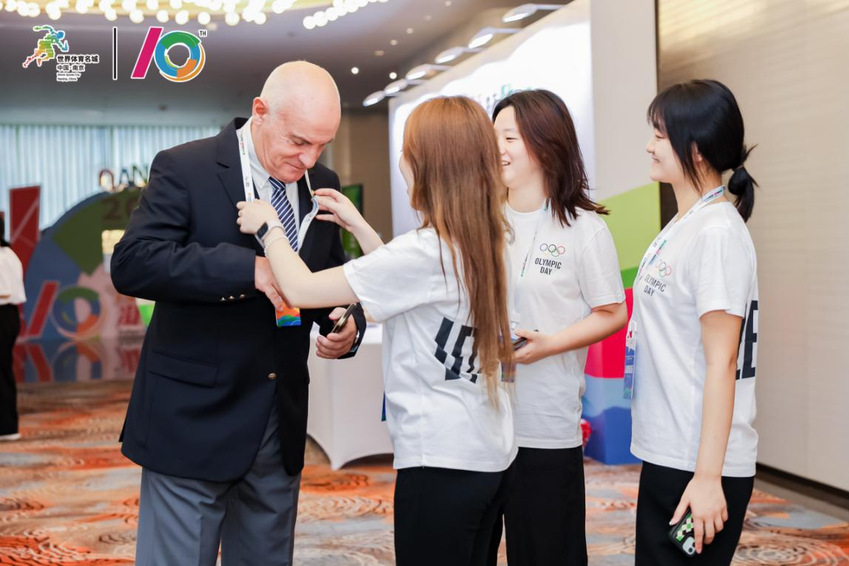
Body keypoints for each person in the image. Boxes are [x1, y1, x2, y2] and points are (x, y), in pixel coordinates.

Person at [238, 96, 517, 566]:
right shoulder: (487, 238)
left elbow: (302, 289)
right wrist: (361, 227)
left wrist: (270, 229)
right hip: (487, 452)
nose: (402, 161)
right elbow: (408, 284)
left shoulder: (426, 251)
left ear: (427, 166)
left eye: (407, 151)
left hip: (439, 461)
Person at [110, 61, 366, 566]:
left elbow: (326, 275)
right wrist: (248, 269)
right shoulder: (186, 167)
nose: (309, 159)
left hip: (278, 419)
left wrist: (346, 322)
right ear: (260, 112)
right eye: (299, 141)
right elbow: (133, 263)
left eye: (322, 145)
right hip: (192, 417)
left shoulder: (321, 181)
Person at [486, 89, 628, 566]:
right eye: (493, 136)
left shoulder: (584, 228)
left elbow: (613, 312)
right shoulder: (480, 219)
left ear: (545, 144)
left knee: (546, 553)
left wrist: (550, 345)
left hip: (544, 425)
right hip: (478, 423)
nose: (497, 148)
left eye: (509, 137)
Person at [630, 79, 759, 565]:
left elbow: (722, 362)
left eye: (660, 135)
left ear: (697, 149)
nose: (649, 145)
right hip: (673, 451)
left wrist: (707, 478)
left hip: (698, 462)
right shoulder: (687, 223)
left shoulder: (717, 233)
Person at [0, 215, 26, 442]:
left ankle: (7, 427)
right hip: (9, 315)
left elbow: (5, 291)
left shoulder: (3, 256)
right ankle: (7, 426)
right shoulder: (10, 254)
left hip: (2, 315)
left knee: (2, 372)